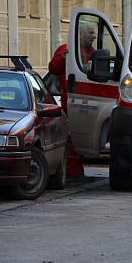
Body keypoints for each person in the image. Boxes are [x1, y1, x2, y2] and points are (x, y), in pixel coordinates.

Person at [48, 22, 97, 181]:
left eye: (94, 33)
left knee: (81, 135)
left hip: (87, 98)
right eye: (90, 33)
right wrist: (63, 59)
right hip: (71, 97)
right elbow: (53, 69)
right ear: (80, 34)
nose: (94, 36)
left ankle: (77, 169)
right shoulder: (66, 50)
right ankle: (72, 171)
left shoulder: (92, 52)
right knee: (74, 135)